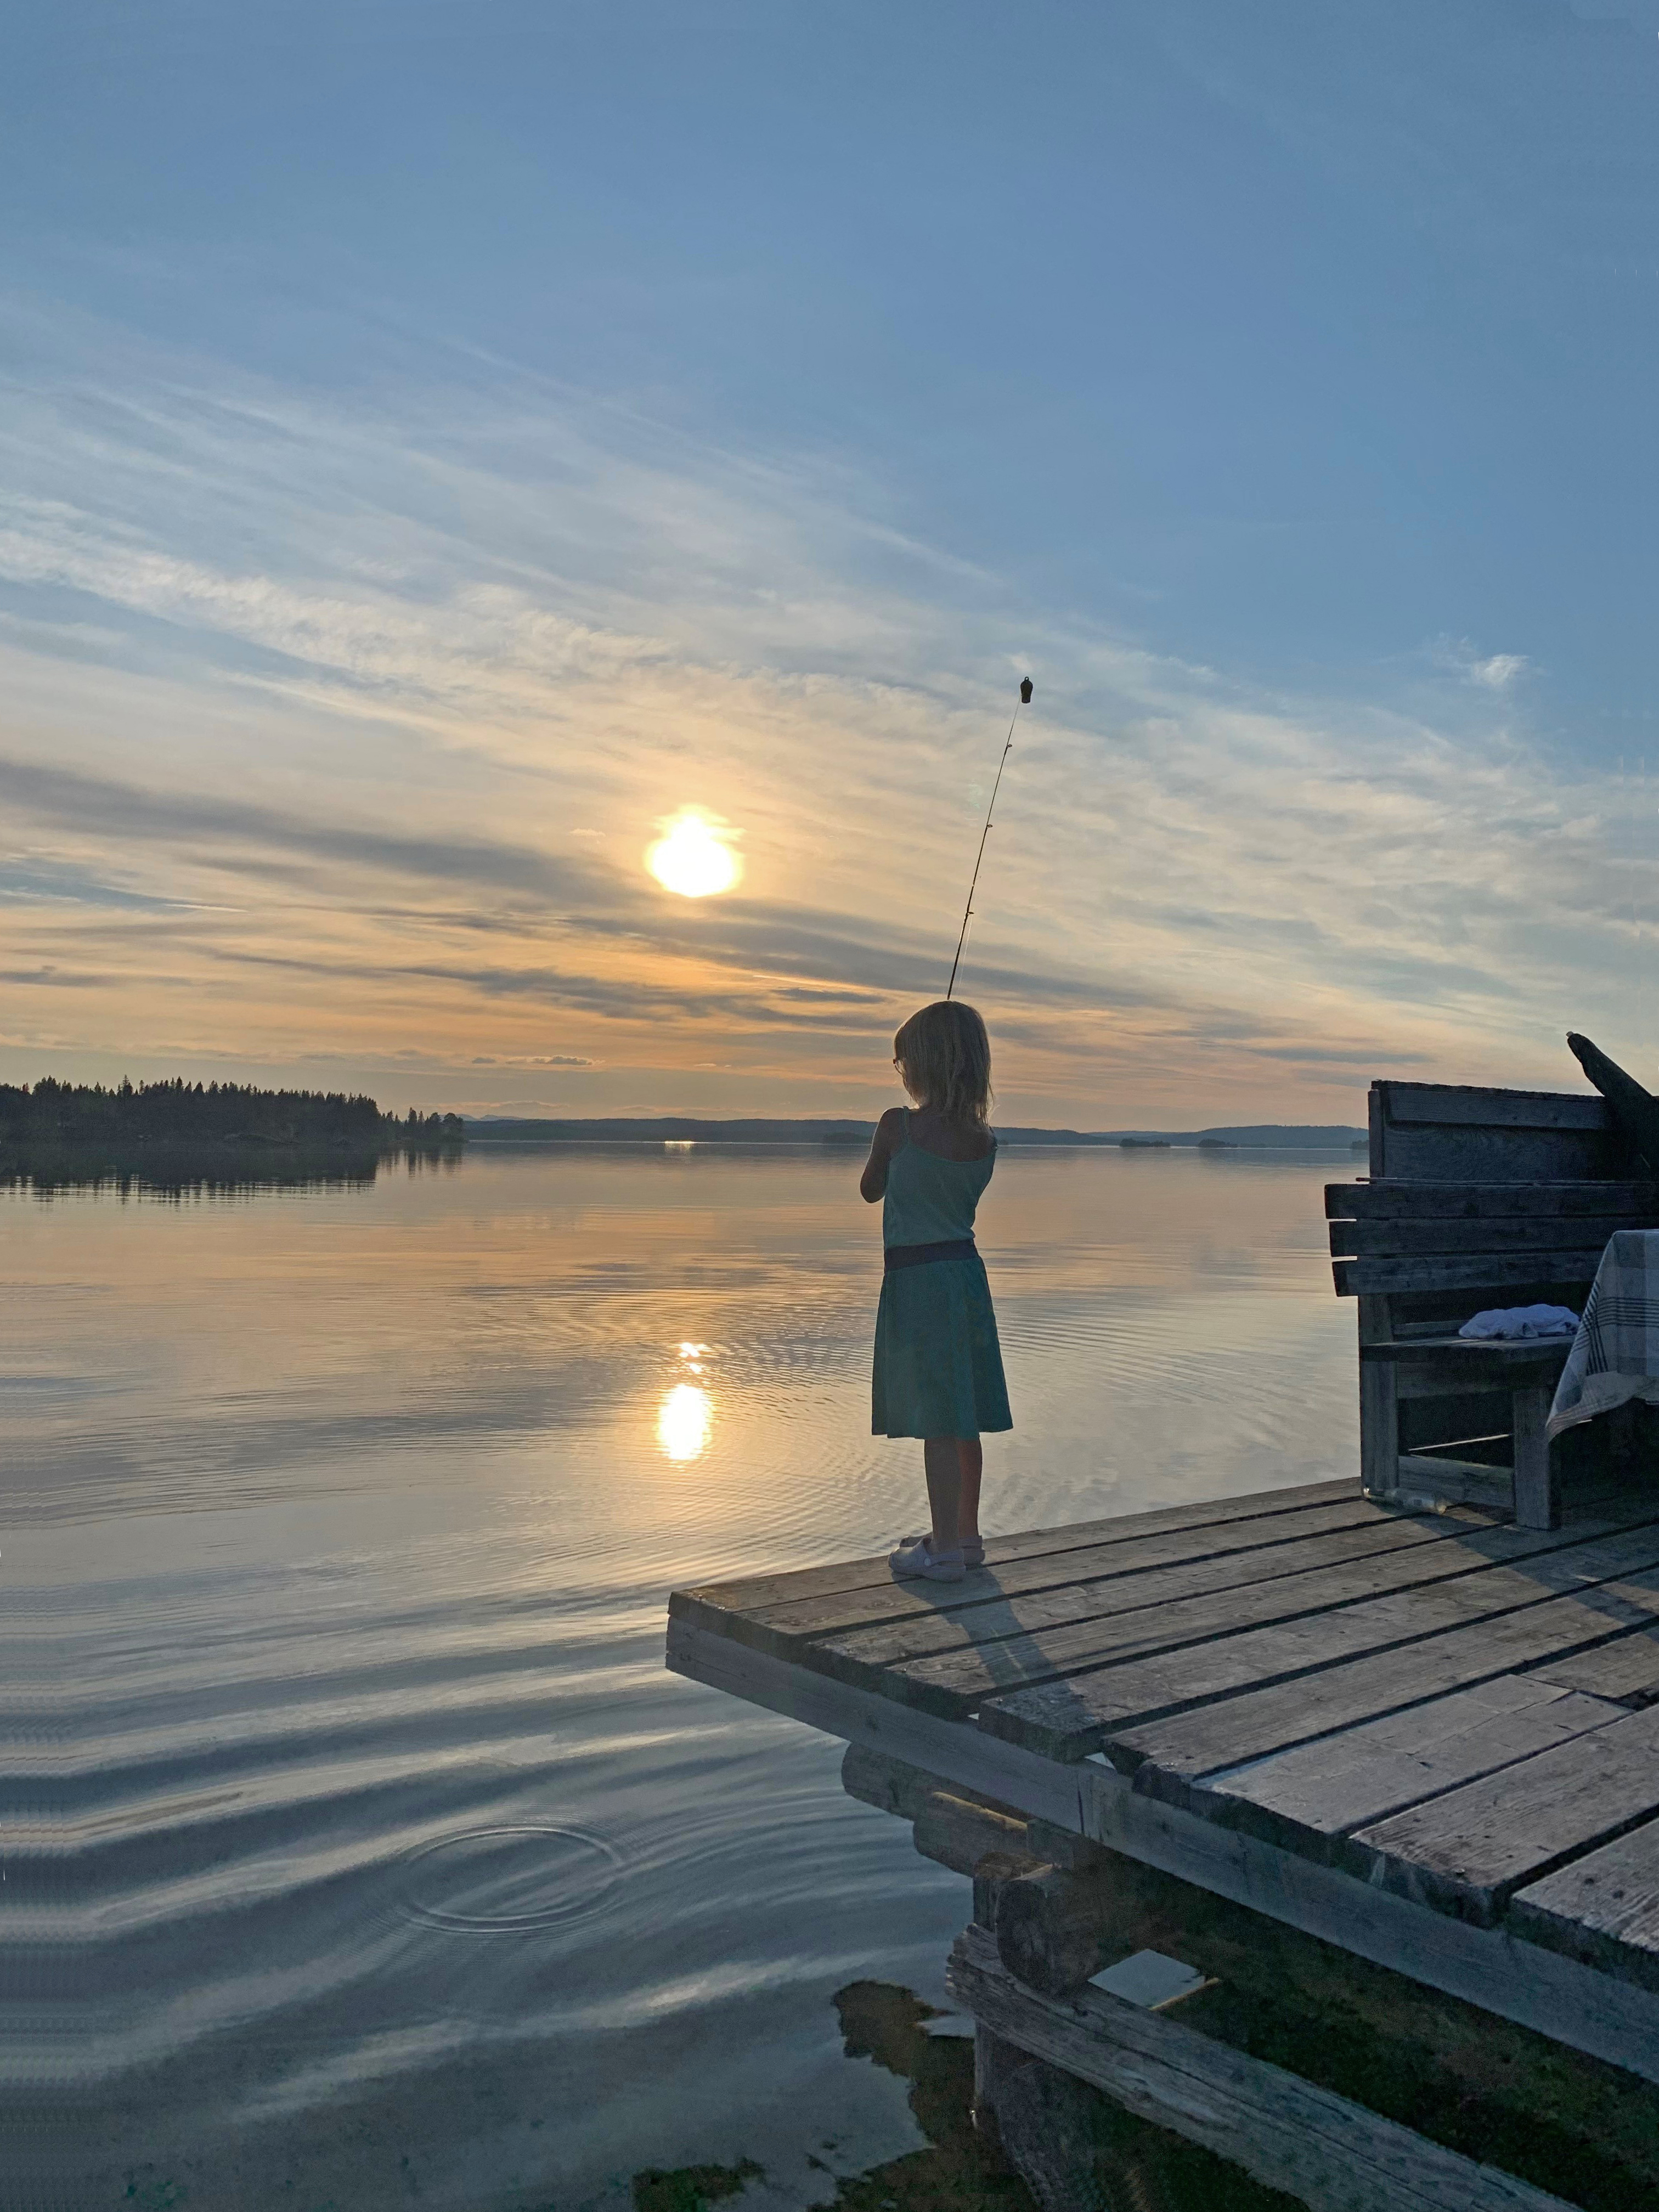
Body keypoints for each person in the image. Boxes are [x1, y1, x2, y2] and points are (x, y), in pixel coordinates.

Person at [860, 999, 1012, 1583]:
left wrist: (889, 1155)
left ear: (922, 1065)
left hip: (917, 1280)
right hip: (966, 1276)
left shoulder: (897, 1126)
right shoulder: (984, 1140)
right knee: (963, 1412)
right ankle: (966, 1538)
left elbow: (870, 1190)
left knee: (936, 1420)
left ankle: (943, 1549)